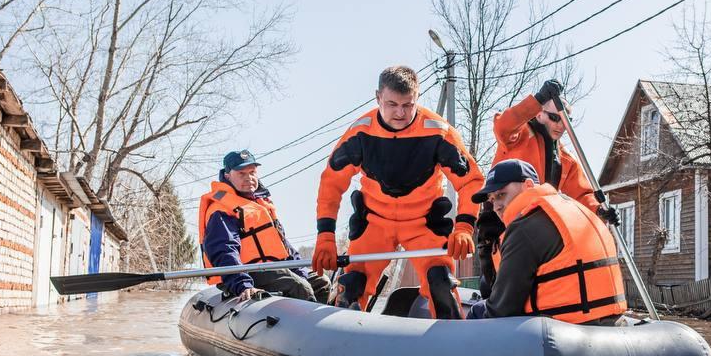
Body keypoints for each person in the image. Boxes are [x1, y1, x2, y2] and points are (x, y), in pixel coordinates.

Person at [310, 65, 484, 318]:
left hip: (423, 223)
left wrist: (465, 226)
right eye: (392, 104)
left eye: (408, 105)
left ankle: (452, 345)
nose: (400, 113)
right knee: (353, 285)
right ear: (378, 97)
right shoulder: (360, 133)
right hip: (374, 222)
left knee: (441, 284)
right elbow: (331, 182)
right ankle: (340, 345)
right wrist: (325, 235)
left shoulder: (438, 131)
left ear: (417, 99)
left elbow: (470, 181)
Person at [476, 79, 621, 294]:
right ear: (539, 114)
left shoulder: (564, 159)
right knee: (496, 279)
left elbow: (582, 193)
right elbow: (503, 125)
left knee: (532, 277)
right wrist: (538, 99)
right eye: (554, 118)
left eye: (565, 120)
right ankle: (490, 306)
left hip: (534, 223)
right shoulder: (518, 135)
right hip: (500, 217)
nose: (560, 125)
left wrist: (600, 210)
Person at [465, 159, 627, 325]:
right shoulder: (576, 209)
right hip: (613, 324)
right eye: (492, 200)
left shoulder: (524, 228)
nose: (496, 206)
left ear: (528, 185)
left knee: (477, 311)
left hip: (566, 331)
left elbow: (500, 310)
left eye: (501, 195)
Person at [198, 149, 330, 303]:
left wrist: (300, 270)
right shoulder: (221, 210)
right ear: (227, 176)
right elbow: (224, 251)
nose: (249, 178)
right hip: (247, 273)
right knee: (300, 287)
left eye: (252, 172)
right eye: (242, 173)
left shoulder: (262, 205)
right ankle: (308, 325)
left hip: (273, 269)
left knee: (322, 282)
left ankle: (322, 323)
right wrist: (242, 285)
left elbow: (284, 246)